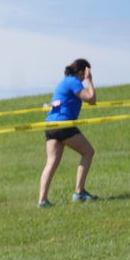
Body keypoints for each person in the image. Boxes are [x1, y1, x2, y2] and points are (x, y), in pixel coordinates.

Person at [38, 58, 98, 208]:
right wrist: (90, 81)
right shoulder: (73, 82)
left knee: (51, 162)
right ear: (81, 72)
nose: (84, 78)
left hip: (51, 126)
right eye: (85, 74)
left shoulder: (63, 82)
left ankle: (42, 201)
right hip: (63, 125)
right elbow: (91, 99)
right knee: (88, 152)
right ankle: (79, 192)